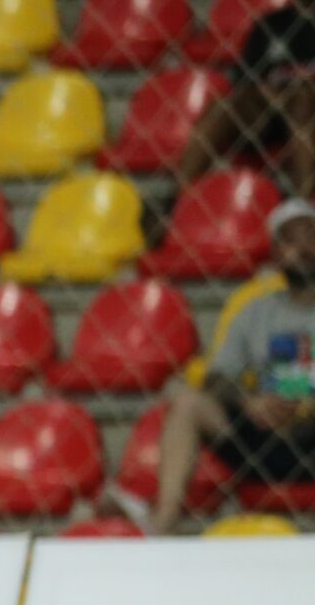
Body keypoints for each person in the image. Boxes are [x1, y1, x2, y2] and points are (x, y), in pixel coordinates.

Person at [130, 198, 315, 533]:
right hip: (264, 439)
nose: (302, 247)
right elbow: (217, 378)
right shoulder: (255, 311)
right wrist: (249, 402)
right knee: (186, 400)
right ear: (275, 253)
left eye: (310, 236)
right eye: (291, 239)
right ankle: (164, 520)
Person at [181, 0, 315, 198]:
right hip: (268, 112)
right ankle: (178, 203)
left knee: (303, 101)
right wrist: (270, 93)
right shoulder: (270, 24)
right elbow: (244, 80)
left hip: (308, 112)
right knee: (223, 107)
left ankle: (306, 208)